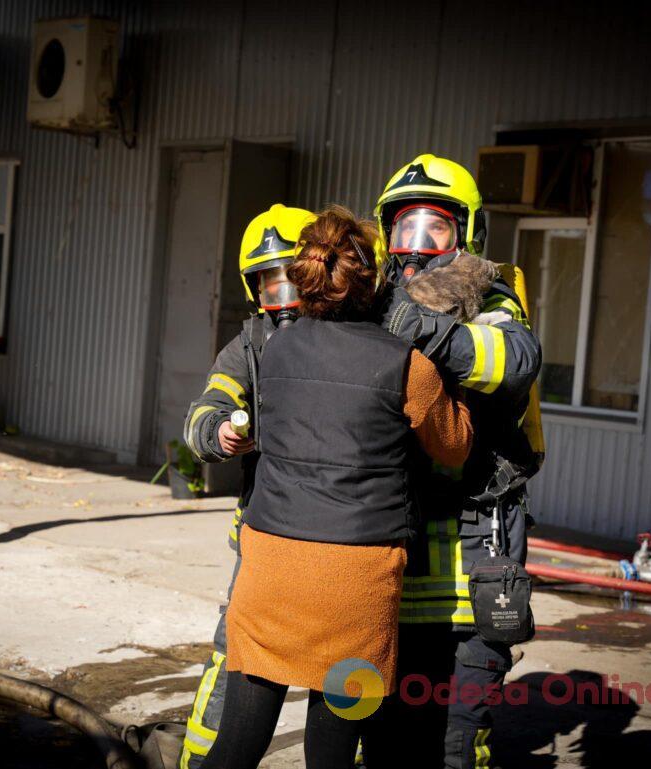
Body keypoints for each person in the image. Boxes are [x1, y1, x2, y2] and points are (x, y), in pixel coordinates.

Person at [198, 205, 473, 769]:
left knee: (237, 742)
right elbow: (454, 447)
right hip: (357, 582)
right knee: (332, 751)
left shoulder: (271, 351)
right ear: (373, 284)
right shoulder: (407, 365)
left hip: (270, 566)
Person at [367, 154, 544, 769]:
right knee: (384, 737)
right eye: (402, 226)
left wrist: (428, 329)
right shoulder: (376, 300)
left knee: (455, 741)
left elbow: (515, 361)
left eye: (433, 226)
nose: (414, 244)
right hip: (396, 544)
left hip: (475, 544)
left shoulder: (491, 297)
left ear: (465, 234)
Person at [179, 204, 315, 769]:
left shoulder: (358, 333)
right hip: (264, 540)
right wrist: (217, 431)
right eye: (266, 279)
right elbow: (204, 411)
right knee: (235, 658)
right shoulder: (248, 346)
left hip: (348, 544)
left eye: (290, 274)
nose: (279, 291)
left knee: (351, 679)